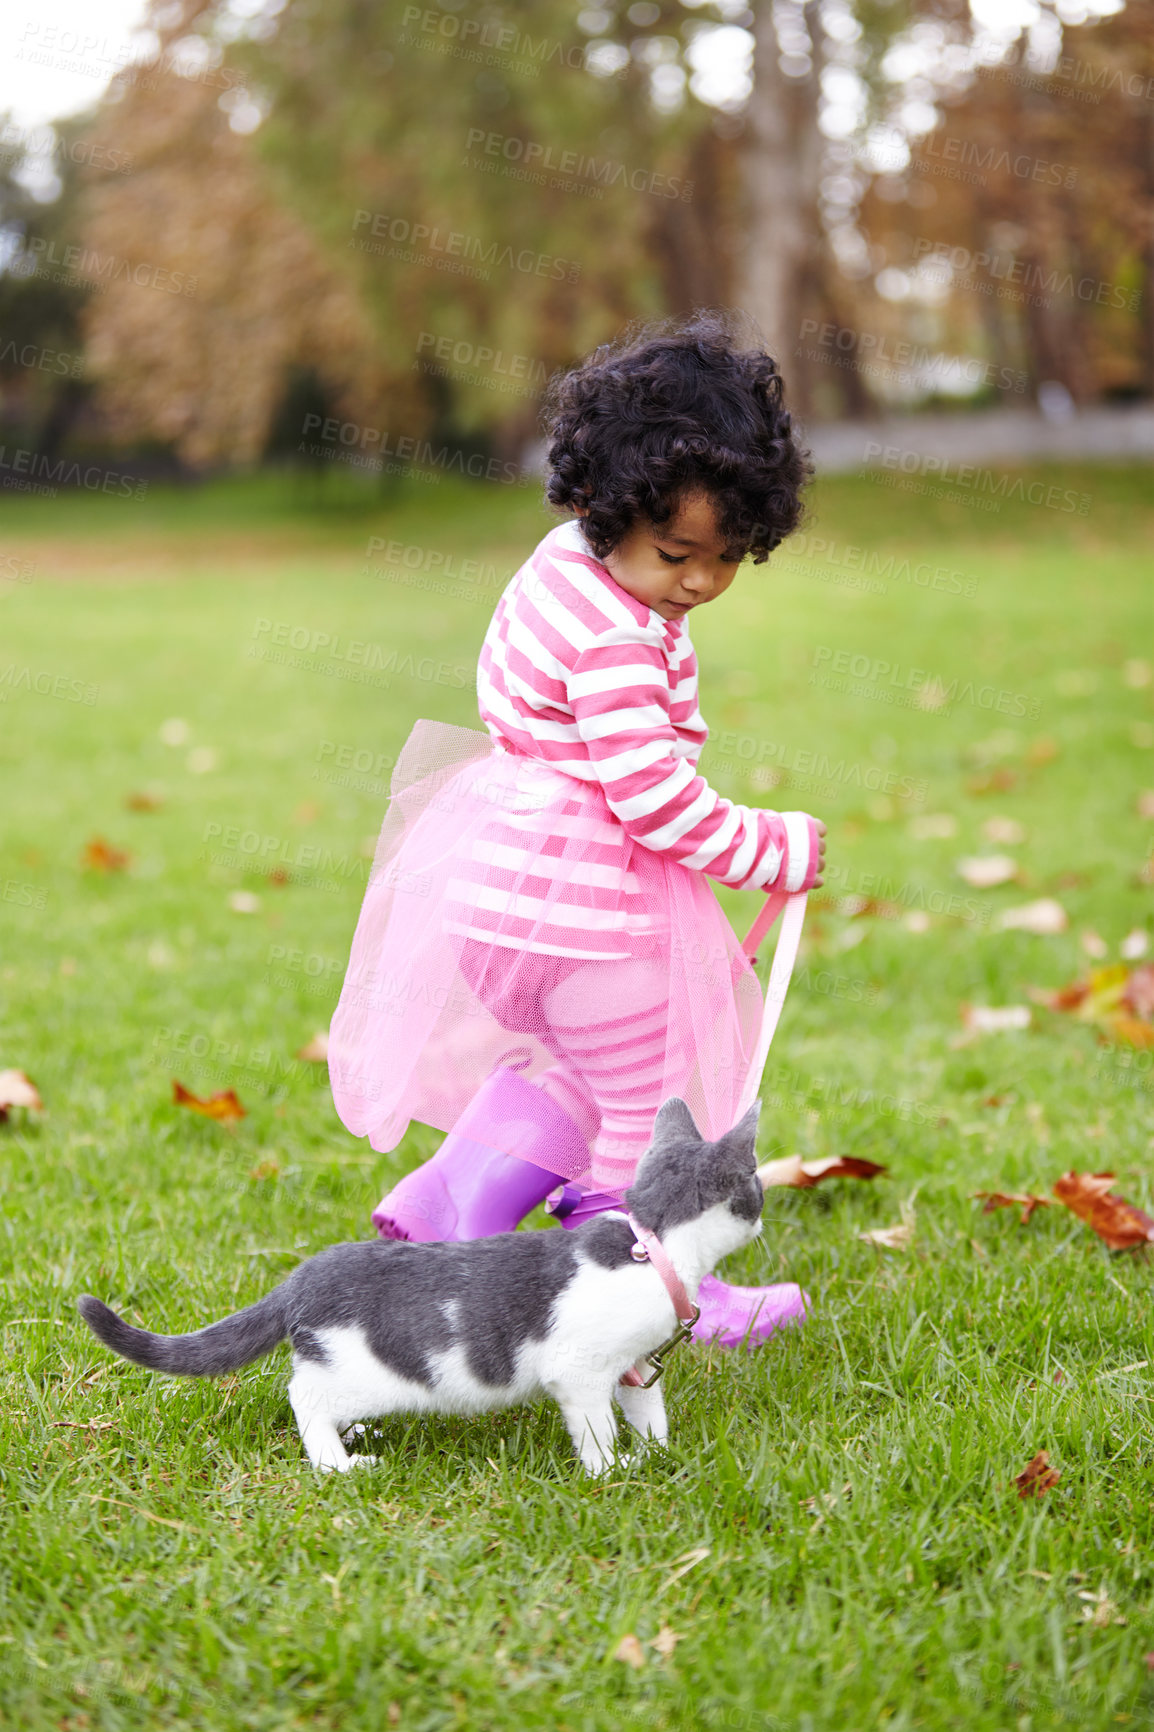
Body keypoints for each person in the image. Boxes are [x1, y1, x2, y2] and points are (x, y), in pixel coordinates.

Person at [328, 311, 826, 1348]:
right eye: (675, 552)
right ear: (606, 501)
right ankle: (652, 1290)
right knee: (648, 1108)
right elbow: (649, 795)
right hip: (584, 913)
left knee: (577, 1073)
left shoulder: (563, 560)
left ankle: (454, 1202)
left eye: (726, 556)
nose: (695, 581)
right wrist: (768, 845)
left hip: (502, 895)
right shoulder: (614, 637)